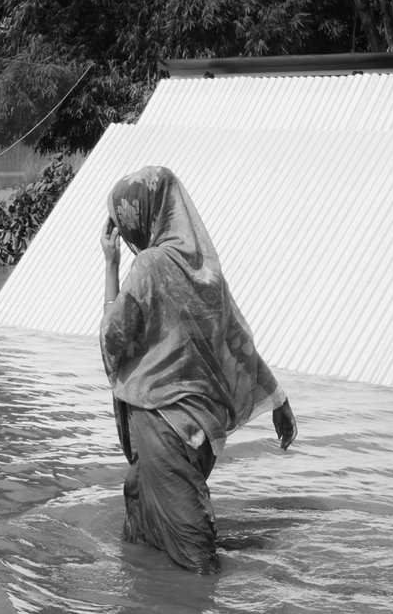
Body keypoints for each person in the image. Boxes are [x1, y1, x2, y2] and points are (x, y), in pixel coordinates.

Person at [98, 165, 296, 573]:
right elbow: (238, 343)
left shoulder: (150, 265)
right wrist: (279, 400)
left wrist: (111, 265)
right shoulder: (207, 271)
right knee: (144, 539)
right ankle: (156, 611)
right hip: (200, 431)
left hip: (160, 428)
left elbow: (112, 338)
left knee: (198, 561)